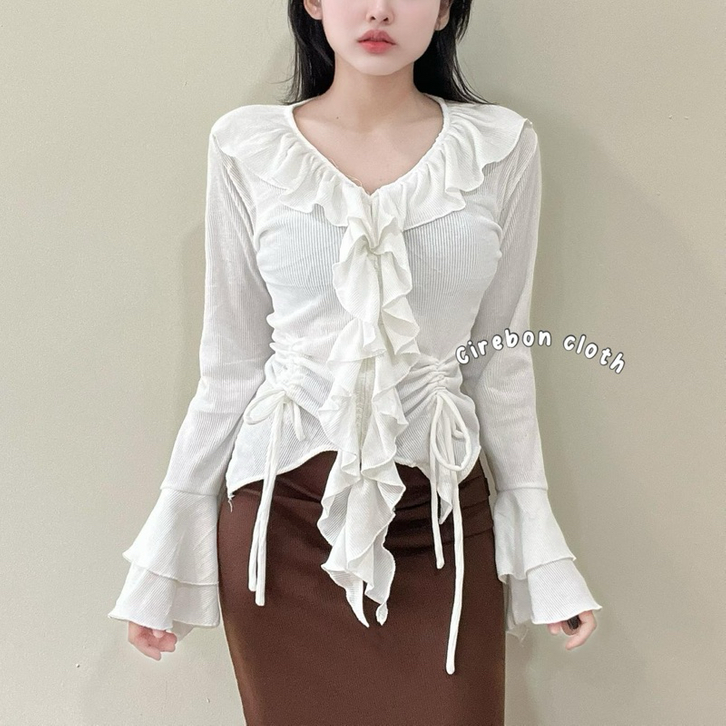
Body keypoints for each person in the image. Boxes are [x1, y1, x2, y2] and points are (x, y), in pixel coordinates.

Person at [109, 1, 602, 723]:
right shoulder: (248, 147)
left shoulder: (500, 147)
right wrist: (164, 560)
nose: (377, 9)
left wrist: (543, 556)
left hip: (441, 521)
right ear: (312, 2)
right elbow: (231, 366)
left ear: (444, 9)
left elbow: (500, 364)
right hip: (280, 524)